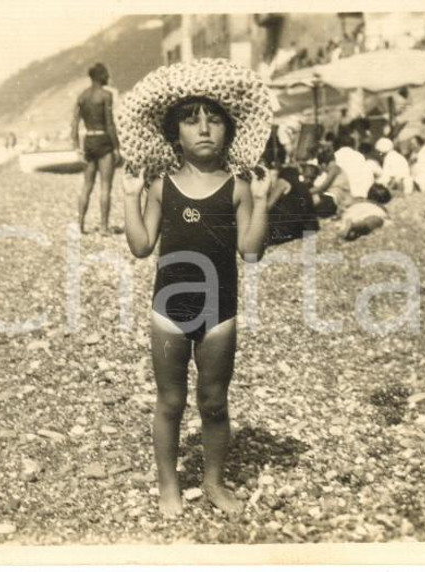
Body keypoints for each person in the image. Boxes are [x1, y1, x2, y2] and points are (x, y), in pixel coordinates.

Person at [118, 59, 274, 518]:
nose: (204, 128)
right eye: (191, 120)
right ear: (174, 134)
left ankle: (213, 481)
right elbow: (142, 246)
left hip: (220, 311)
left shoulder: (240, 186)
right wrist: (129, 195)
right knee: (170, 401)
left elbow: (250, 251)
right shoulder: (161, 186)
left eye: (214, 119)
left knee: (214, 402)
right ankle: (168, 484)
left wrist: (263, 201)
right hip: (168, 309)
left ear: (228, 129)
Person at [71, 63, 122, 235]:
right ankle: (103, 227)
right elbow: (110, 124)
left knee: (87, 185)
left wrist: (77, 147)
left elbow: (74, 124)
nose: (108, 76)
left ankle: (79, 225)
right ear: (101, 76)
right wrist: (117, 148)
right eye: (106, 74)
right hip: (103, 140)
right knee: (106, 186)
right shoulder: (106, 95)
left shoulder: (82, 96)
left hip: (89, 140)